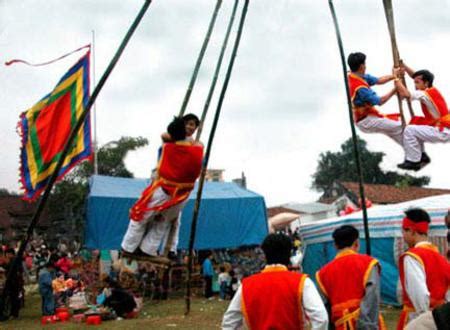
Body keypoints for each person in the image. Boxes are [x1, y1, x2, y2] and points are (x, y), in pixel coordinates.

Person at [121, 117, 204, 259]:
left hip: (164, 190)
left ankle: (128, 248)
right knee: (163, 222)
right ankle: (148, 249)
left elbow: (165, 136)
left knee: (141, 217)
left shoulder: (168, 146)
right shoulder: (197, 149)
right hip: (181, 196)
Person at [222, 233, 328, 330]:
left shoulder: (246, 285)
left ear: (264, 254)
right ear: (290, 253)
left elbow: (229, 322)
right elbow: (321, 318)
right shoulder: (302, 282)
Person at [316, 225, 384, 329]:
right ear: (357, 243)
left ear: (335, 245)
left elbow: (325, 309)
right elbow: (372, 297)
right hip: (365, 324)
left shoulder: (322, 273)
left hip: (340, 325)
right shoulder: (368, 263)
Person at [397, 208, 450, 329]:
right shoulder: (441, 258)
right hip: (440, 318)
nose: (403, 236)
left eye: (404, 232)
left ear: (411, 231)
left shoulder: (412, 257)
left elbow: (420, 295)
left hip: (418, 319)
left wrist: (424, 321)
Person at [395, 65, 450, 170]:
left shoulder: (424, 93)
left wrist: (396, 77)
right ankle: (422, 155)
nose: (415, 85)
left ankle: (414, 161)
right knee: (415, 121)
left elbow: (405, 93)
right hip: (442, 127)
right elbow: (417, 77)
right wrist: (405, 67)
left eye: (417, 83)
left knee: (409, 130)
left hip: (443, 130)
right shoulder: (431, 89)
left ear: (426, 83)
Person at [347, 52, 402, 145]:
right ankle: (414, 154)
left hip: (369, 116)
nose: (366, 66)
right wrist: (395, 89)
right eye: (365, 64)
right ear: (361, 66)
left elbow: (378, 80)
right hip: (366, 121)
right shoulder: (360, 88)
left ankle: (414, 154)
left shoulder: (355, 75)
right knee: (400, 126)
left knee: (395, 130)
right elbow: (380, 101)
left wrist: (394, 76)